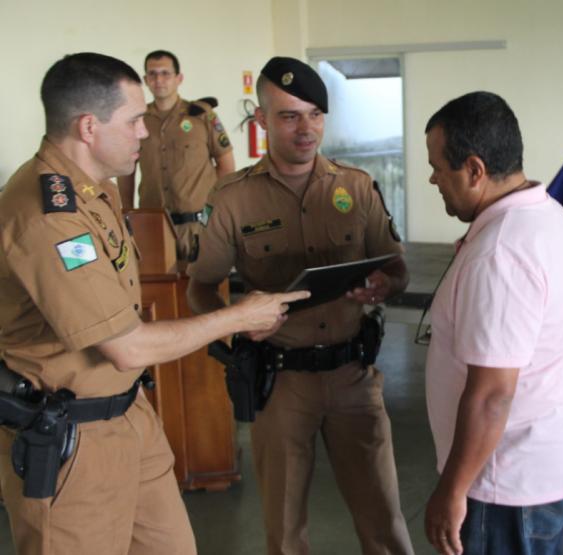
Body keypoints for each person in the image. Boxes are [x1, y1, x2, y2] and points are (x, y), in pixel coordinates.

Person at [0, 52, 309, 555]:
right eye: (133, 120)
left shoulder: (93, 191)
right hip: (73, 441)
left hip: (128, 418)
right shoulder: (47, 214)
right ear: (87, 127)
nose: (145, 132)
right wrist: (238, 315)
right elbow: (126, 346)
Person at [186, 56, 413, 555]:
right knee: (285, 533)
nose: (306, 129)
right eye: (289, 116)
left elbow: (399, 269)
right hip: (281, 382)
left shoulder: (355, 186)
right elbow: (201, 288)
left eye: (315, 114)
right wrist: (238, 327)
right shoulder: (231, 198)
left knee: (385, 524)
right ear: (263, 121)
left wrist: (381, 285)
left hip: (354, 376)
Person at [422, 91, 563, 555]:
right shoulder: (545, 215)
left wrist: (451, 490)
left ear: (475, 170)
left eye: (439, 168)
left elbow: (491, 395)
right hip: (549, 460)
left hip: (509, 483)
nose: (433, 179)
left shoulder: (503, 251)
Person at [117, 50, 235, 266]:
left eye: (165, 73)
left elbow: (226, 165)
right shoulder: (138, 119)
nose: (159, 80)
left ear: (179, 78)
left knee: (208, 290)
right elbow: (127, 169)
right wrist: (126, 213)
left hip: (200, 225)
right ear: (145, 80)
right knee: (160, 293)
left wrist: (218, 210)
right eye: (152, 74)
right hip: (153, 226)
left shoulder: (201, 115)